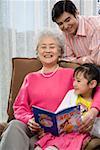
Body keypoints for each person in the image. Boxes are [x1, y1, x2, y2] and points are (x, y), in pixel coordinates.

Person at [0, 30, 100, 150]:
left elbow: (96, 88)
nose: (47, 50)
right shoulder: (30, 78)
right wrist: (30, 120)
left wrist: (93, 111)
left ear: (60, 52)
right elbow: (19, 107)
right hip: (33, 127)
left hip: (58, 132)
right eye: (43, 47)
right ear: (38, 52)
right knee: (14, 125)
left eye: (52, 47)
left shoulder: (72, 75)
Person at [34, 63, 100, 150]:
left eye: (78, 81)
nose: (74, 84)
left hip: (78, 136)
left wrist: (89, 128)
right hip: (63, 132)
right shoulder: (71, 94)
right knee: (40, 147)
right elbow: (59, 113)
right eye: (74, 80)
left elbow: (97, 129)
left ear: (92, 84)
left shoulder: (96, 104)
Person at [51, 0, 100, 66]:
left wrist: (77, 60)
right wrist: (84, 59)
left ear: (76, 13)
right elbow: (67, 58)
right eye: (60, 23)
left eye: (68, 20)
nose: (65, 26)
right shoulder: (64, 33)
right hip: (85, 70)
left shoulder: (95, 26)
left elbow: (96, 60)